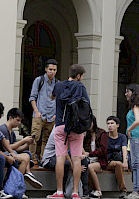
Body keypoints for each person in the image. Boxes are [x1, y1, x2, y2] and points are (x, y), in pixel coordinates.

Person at [47, 64, 90, 199]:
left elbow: (52, 97)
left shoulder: (59, 85)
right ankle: (75, 192)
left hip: (60, 125)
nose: (82, 79)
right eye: (82, 76)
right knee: (76, 158)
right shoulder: (80, 87)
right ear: (78, 76)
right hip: (76, 127)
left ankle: (59, 192)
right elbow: (86, 105)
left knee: (60, 157)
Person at [0, 108, 43, 189]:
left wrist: (27, 144)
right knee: (25, 157)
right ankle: (18, 183)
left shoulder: (12, 132)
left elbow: (17, 148)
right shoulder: (3, 129)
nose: (19, 123)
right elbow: (7, 148)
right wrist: (23, 141)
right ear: (10, 118)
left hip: (10, 153)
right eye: (17, 120)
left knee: (27, 153)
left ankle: (26, 175)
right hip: (2, 154)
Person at [41, 127, 90, 199]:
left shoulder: (72, 127)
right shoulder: (59, 130)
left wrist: (84, 155)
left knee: (84, 161)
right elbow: (64, 153)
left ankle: (84, 192)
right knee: (66, 163)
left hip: (63, 156)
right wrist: (73, 167)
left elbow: (80, 150)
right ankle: (62, 191)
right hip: (50, 158)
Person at [29, 58, 58, 161]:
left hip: (52, 116)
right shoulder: (39, 80)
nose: (52, 72)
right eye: (50, 69)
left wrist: (56, 114)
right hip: (39, 114)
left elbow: (59, 100)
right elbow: (32, 97)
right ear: (46, 69)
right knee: (34, 137)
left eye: (54, 70)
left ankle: (44, 159)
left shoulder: (57, 83)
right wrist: (36, 111)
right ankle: (31, 159)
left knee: (47, 139)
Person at [124, 83, 139, 199]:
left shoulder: (135, 106)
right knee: (136, 164)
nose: (126, 94)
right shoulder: (138, 106)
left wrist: (129, 129)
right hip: (137, 137)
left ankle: (138, 191)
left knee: (137, 164)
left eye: (127, 91)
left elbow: (138, 121)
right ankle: (137, 190)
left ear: (133, 93)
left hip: (136, 137)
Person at [84, 115, 108, 198]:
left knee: (90, 167)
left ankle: (98, 190)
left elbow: (103, 150)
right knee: (82, 167)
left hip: (100, 161)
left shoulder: (102, 133)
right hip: (88, 159)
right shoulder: (86, 134)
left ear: (93, 123)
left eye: (89, 122)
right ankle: (88, 190)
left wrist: (90, 154)